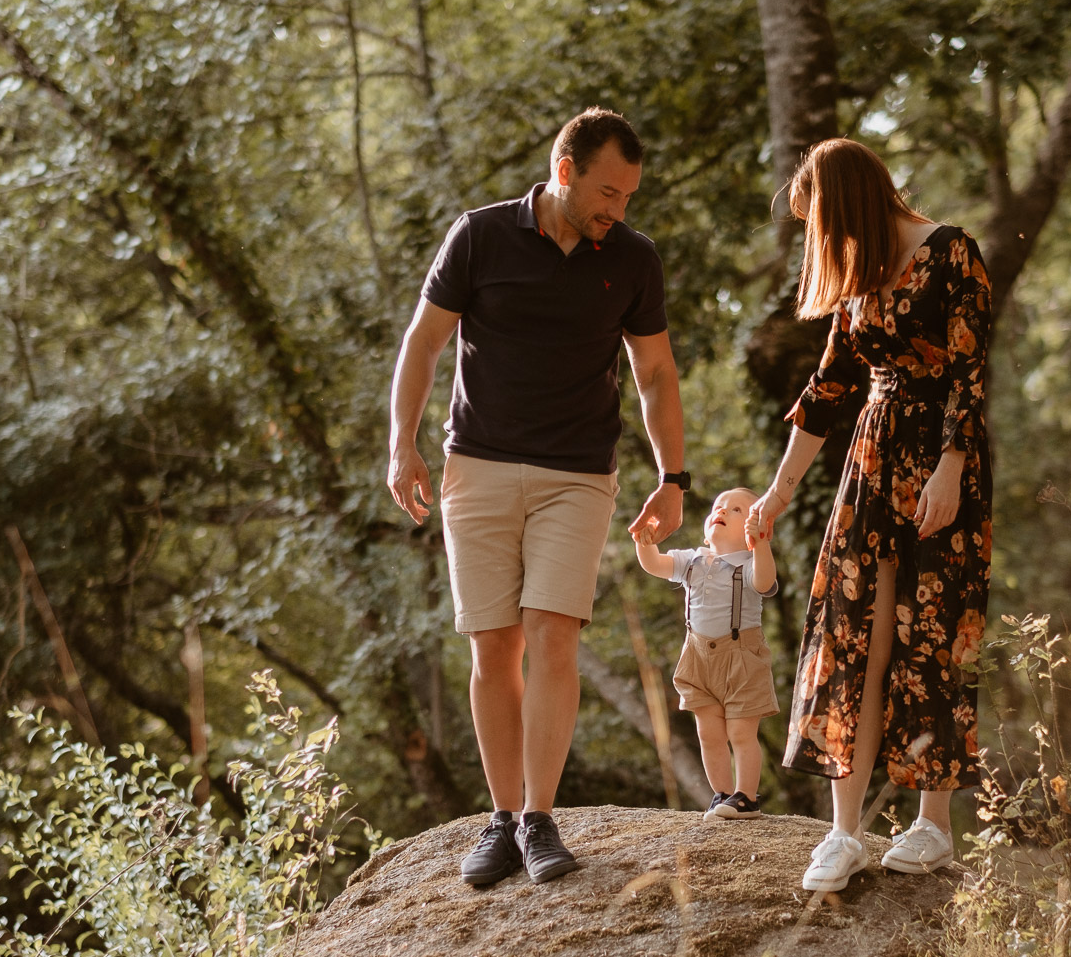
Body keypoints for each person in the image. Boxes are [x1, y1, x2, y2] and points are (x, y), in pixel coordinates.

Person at [387, 107, 688, 887]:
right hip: (477, 466)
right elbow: (423, 342)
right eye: (608, 193)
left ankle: (539, 819)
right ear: (565, 170)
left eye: (628, 198)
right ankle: (501, 816)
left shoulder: (632, 259)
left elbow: (655, 373)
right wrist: (401, 442)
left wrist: (673, 476)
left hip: (577, 475)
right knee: (494, 643)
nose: (618, 211)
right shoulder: (479, 236)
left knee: (553, 631)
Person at [745, 138, 993, 893]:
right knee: (856, 630)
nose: (826, 242)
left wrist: (951, 465)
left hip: (942, 461)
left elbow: (969, 370)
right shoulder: (860, 279)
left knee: (935, 630)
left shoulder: (952, 253)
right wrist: (779, 490)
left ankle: (933, 827)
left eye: (823, 221)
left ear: (846, 202)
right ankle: (844, 832)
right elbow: (827, 390)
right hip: (872, 461)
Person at [633, 487, 780, 821]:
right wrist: (645, 542)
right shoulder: (691, 560)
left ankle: (747, 796)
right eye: (719, 506)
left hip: (742, 657)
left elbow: (765, 580)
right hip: (698, 656)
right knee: (709, 734)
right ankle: (722, 794)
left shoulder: (749, 562)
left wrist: (762, 545)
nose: (723, 511)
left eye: (737, 510)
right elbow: (655, 565)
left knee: (741, 732)